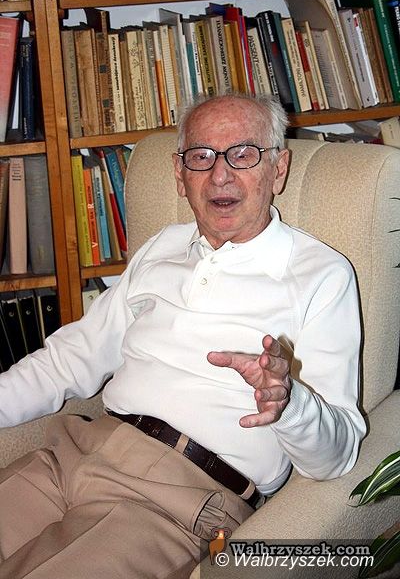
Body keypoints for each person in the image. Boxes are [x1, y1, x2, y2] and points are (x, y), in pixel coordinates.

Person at [0, 93, 365, 578]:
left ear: (278, 169)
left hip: (180, 500)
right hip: (78, 452)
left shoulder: (322, 275)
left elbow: (336, 458)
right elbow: (70, 359)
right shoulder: (162, 247)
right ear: (180, 173)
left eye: (243, 154)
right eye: (201, 156)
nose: (220, 175)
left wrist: (289, 403)